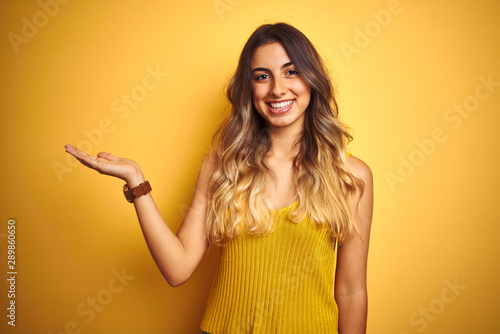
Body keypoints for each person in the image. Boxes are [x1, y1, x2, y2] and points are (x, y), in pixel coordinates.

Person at [65, 22, 373, 334]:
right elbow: (177, 268)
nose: (277, 88)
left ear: (312, 80)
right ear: (248, 88)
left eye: (291, 71)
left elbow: (350, 291)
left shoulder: (351, 176)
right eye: (262, 76)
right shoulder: (223, 164)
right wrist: (136, 181)